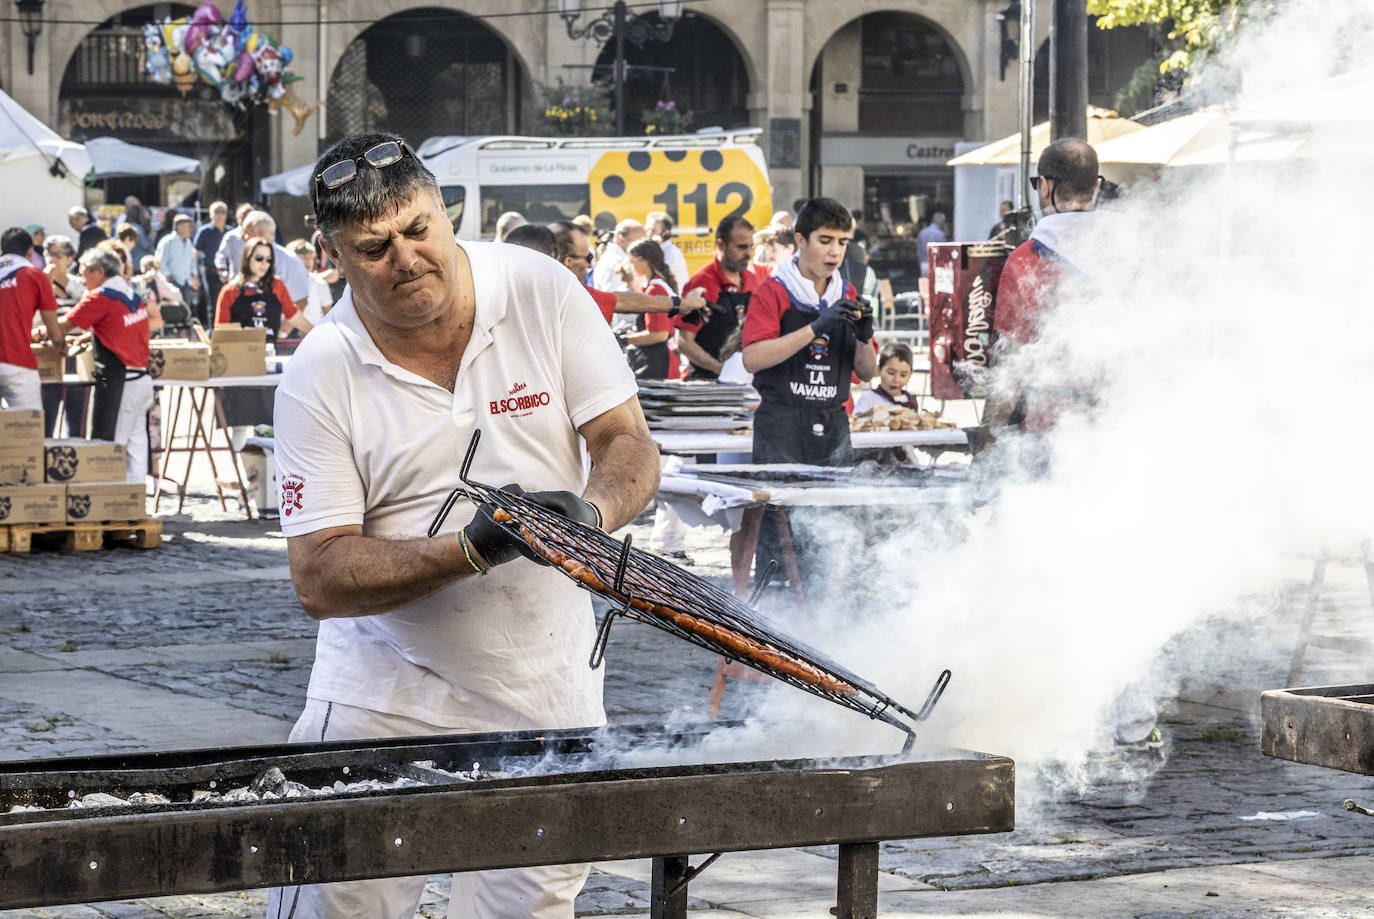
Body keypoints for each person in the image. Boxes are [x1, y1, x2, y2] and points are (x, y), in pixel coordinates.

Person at [265, 130, 660, 919]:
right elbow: (318, 575)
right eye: (374, 248)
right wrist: (468, 551)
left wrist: (589, 515)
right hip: (383, 692)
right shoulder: (323, 369)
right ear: (332, 255)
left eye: (417, 230)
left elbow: (629, 444)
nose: (406, 258)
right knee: (339, 906)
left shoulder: (538, 288)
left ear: (444, 213)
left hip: (547, 682)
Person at [975, 138, 1105, 456]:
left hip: (1051, 435)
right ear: (1097, 187)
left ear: (1044, 187)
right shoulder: (1135, 250)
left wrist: (984, 451)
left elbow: (1010, 367)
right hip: (1121, 430)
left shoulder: (1028, 258)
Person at [741, 197, 876, 466]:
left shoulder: (846, 292)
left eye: (842, 242)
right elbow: (752, 358)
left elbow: (867, 372)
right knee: (781, 506)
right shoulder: (773, 290)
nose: (835, 252)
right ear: (801, 240)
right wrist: (816, 328)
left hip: (833, 423)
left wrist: (863, 338)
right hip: (782, 424)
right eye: (825, 241)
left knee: (834, 508)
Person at [58, 246, 153, 484]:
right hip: (141, 379)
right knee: (136, 446)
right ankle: (134, 501)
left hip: (122, 383)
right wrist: (86, 338)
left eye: (83, 273)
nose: (81, 279)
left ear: (99, 271)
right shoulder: (130, 293)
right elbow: (117, 327)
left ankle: (112, 505)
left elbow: (61, 326)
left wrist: (32, 334)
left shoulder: (101, 295)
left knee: (109, 449)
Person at [547, 221, 703, 324]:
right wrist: (684, 304)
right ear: (568, 261)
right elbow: (619, 301)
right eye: (587, 257)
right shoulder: (566, 290)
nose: (589, 265)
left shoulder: (544, 285)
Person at [674, 215, 758, 380]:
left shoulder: (752, 280)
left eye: (751, 247)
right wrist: (722, 371)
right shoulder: (703, 284)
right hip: (707, 383)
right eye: (742, 247)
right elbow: (684, 342)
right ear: (721, 245)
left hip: (744, 381)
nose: (748, 254)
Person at [0, 227, 63, 411]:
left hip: (16, 363)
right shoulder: (35, 276)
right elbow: (54, 329)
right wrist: (61, 346)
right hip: (18, 363)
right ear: (30, 252)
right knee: (28, 431)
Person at [216, 239, 312, 343]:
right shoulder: (230, 291)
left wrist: (318, 334)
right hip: (239, 355)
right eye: (259, 258)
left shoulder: (277, 285)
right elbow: (221, 332)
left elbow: (293, 315)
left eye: (269, 259)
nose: (264, 263)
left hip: (269, 354)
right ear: (247, 258)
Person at [620, 238, 679, 381]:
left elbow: (659, 335)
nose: (630, 266)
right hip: (656, 359)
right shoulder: (654, 286)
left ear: (644, 261)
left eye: (632, 261)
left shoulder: (655, 288)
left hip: (658, 362)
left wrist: (624, 339)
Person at [239, 210, 309, 316]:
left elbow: (300, 302)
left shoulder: (289, 261)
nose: (242, 237)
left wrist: (281, 332)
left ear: (260, 235)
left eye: (246, 232)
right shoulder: (247, 258)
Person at [853, 342, 919, 414]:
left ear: (910, 374)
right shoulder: (869, 397)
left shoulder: (910, 402)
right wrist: (869, 413)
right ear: (879, 370)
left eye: (903, 375)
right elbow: (854, 419)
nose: (896, 379)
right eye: (891, 373)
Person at [194, 201, 230, 324]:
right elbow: (196, 254)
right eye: (216, 212)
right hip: (210, 273)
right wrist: (195, 274)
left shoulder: (230, 232)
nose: (220, 215)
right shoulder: (204, 231)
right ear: (210, 215)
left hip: (229, 275)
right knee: (213, 304)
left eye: (222, 212)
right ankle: (213, 330)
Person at [287, 238, 335, 326]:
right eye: (303, 257)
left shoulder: (320, 284)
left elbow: (328, 315)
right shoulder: (281, 282)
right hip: (286, 337)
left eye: (310, 257)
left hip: (313, 336)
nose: (308, 261)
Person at [154, 213, 198, 308]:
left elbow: (192, 261)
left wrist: (194, 275)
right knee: (173, 312)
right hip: (171, 284)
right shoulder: (167, 242)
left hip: (186, 283)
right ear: (179, 227)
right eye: (188, 227)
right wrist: (169, 277)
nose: (191, 229)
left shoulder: (189, 242)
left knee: (186, 311)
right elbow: (159, 262)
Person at [591, 218, 644, 292]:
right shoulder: (617, 263)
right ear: (621, 240)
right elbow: (615, 298)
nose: (643, 246)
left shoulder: (613, 258)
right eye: (638, 241)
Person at [214, 202, 257, 283]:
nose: (246, 218)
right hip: (236, 281)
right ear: (238, 218)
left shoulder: (259, 235)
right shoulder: (231, 236)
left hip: (255, 281)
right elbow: (221, 255)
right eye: (243, 215)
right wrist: (222, 271)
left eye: (249, 215)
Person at [645, 210, 689, 288]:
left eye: (653, 231)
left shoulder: (672, 252)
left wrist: (654, 248)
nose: (648, 234)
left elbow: (659, 275)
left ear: (666, 233)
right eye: (647, 230)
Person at [43, 235, 83, 301]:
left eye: (58, 255)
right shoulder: (36, 282)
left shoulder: (79, 283)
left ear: (70, 259)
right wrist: (44, 282)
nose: (51, 259)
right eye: (49, 254)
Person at [916, 211, 947, 277]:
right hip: (936, 265)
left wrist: (921, 264)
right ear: (941, 222)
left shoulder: (922, 232)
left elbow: (919, 251)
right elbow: (943, 252)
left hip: (924, 264)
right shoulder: (940, 234)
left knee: (925, 285)